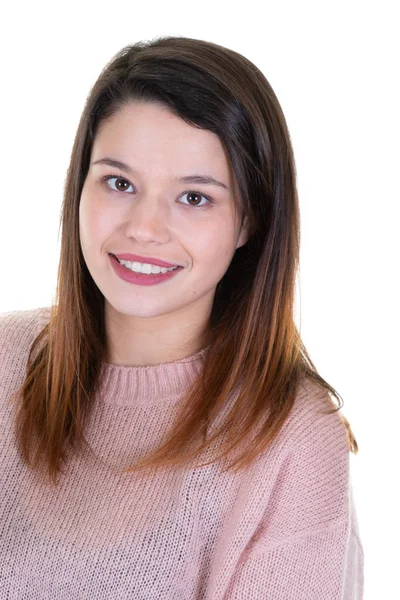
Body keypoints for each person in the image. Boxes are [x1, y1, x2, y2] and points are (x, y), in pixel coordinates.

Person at [0, 36, 364, 598]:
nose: (144, 228)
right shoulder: (6, 357)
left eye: (194, 197)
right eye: (119, 183)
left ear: (250, 222)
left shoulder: (291, 439)